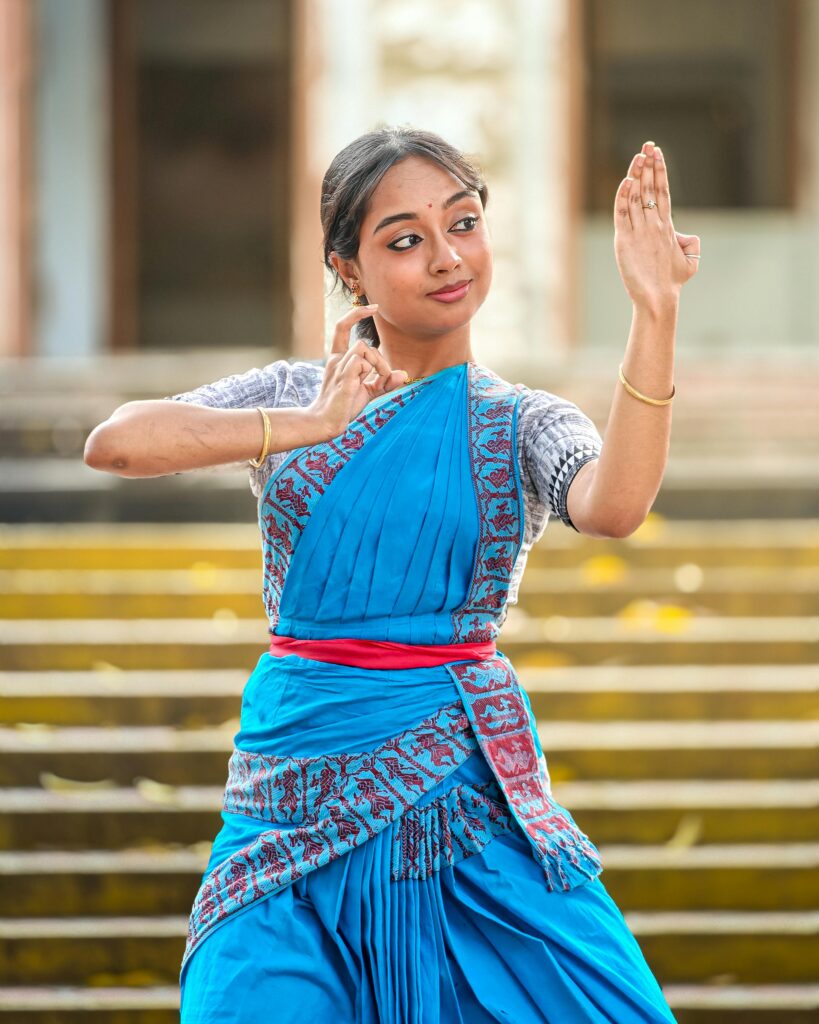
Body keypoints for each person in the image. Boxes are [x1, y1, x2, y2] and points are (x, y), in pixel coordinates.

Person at [84, 125, 699, 1023]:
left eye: (463, 223)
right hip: (288, 801)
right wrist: (308, 421)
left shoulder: (521, 421)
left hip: (460, 810)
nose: (446, 258)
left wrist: (655, 311)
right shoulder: (293, 394)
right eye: (405, 240)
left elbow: (612, 505)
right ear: (350, 268)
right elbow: (117, 444)